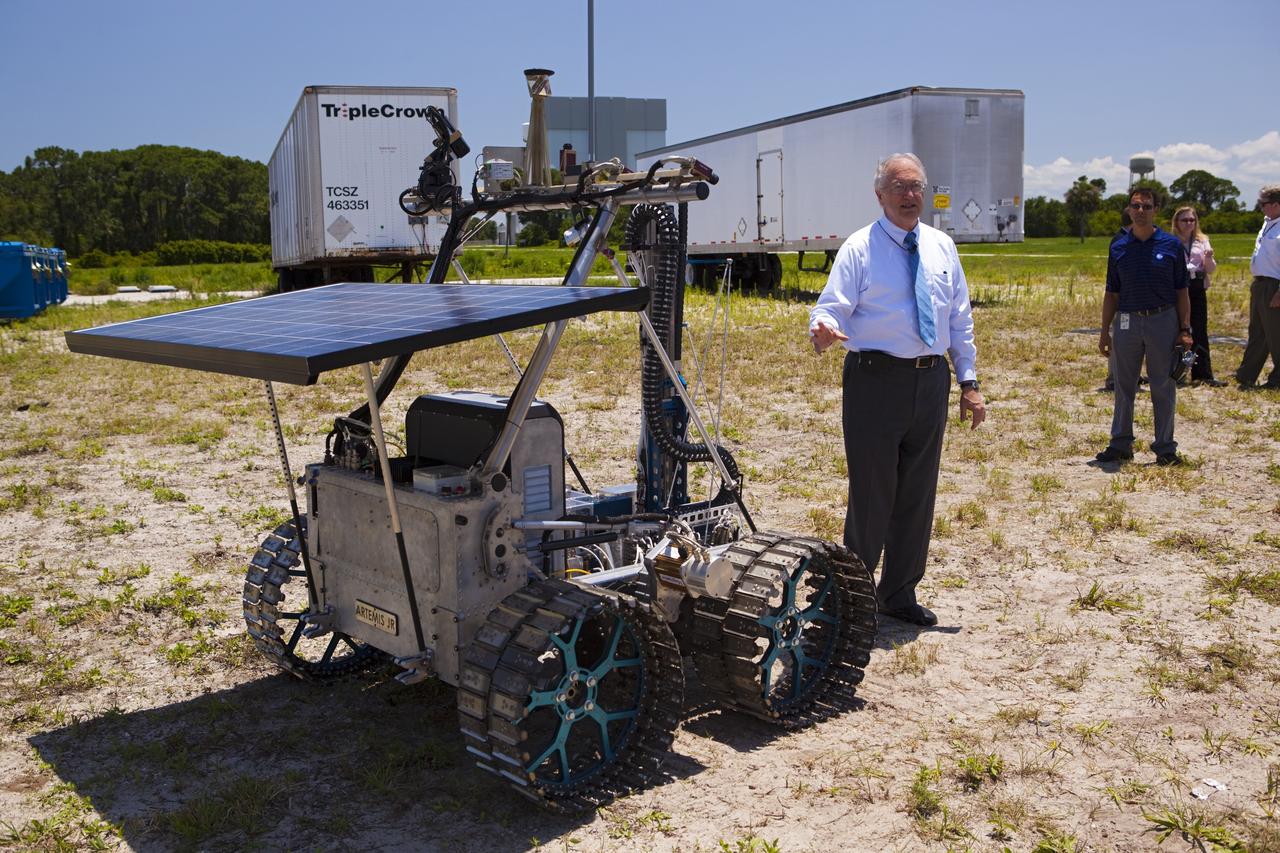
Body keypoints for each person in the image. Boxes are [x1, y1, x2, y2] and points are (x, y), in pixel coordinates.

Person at [809, 153, 985, 627]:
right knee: (872, 492)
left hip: (930, 381)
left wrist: (969, 382)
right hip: (875, 381)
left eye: (916, 187)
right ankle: (852, 596)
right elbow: (832, 306)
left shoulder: (942, 246)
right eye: (900, 187)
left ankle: (899, 593)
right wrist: (824, 329)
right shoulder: (859, 248)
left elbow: (959, 319)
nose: (910, 196)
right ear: (880, 194)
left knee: (916, 492)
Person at [1096, 187, 1193, 466]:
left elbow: (1182, 291)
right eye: (1135, 206)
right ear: (1129, 209)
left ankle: (1165, 448)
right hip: (1126, 320)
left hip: (1162, 319)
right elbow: (1111, 292)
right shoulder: (1118, 246)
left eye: (1146, 207)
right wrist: (1105, 331)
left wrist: (1184, 329)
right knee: (1123, 384)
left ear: (1156, 210)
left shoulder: (1170, 245)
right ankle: (1121, 444)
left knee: (1162, 384)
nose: (1140, 211)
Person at [1170, 206, 1225, 386]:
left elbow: (1211, 268)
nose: (1188, 224)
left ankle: (1202, 373)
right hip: (1178, 288)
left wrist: (1208, 258)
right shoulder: (1171, 241)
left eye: (1192, 220)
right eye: (1184, 220)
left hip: (1196, 286)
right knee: (1179, 330)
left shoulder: (1202, 240)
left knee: (1199, 330)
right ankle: (1178, 371)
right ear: (1176, 222)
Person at [1235, 184, 1280, 390]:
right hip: (1259, 284)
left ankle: (1277, 380)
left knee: (1275, 334)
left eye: (1263, 203)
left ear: (1276, 205)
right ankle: (1246, 374)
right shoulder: (1267, 222)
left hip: (1274, 286)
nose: (1260, 207)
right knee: (1257, 332)